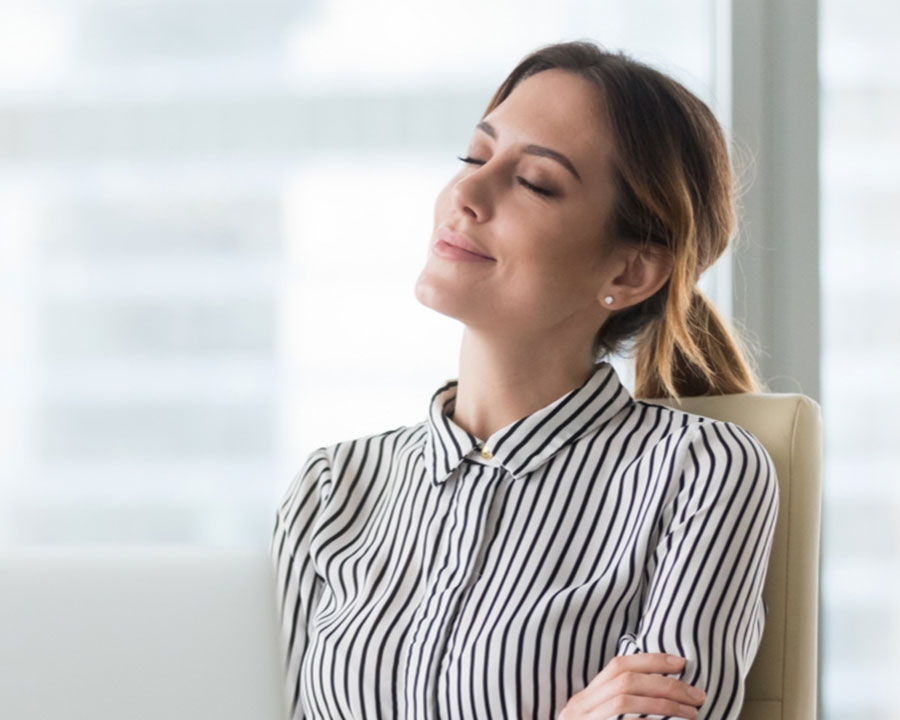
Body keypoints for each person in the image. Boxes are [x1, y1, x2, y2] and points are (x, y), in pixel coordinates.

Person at [271, 39, 779, 720]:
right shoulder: (333, 487)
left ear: (629, 272)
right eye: (474, 158)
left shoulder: (698, 471)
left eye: (535, 183)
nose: (467, 193)